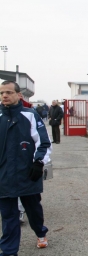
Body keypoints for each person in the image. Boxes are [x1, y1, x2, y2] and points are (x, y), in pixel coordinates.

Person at [0, 81, 52, 255]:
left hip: (28, 173)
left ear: (18, 95)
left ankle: (40, 232)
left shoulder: (30, 115)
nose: (4, 96)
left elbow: (43, 142)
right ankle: (8, 251)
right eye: (1, 93)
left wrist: (39, 162)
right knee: (8, 216)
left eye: (8, 92)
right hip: (4, 175)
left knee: (33, 209)